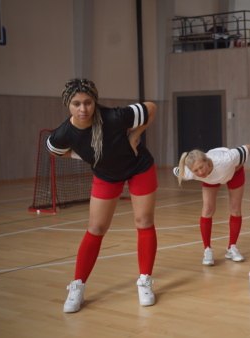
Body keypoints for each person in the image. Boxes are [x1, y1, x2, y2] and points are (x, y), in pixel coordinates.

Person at [47, 78, 158, 313]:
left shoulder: (115, 117)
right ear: (68, 104)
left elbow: (151, 107)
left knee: (143, 222)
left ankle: (145, 280)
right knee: (96, 228)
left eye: (88, 102)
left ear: (95, 101)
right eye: (76, 103)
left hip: (139, 167)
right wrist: (83, 157)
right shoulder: (63, 133)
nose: (83, 109)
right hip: (106, 175)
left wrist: (135, 134)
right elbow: (55, 150)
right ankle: (77, 286)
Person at [174, 145, 250, 266]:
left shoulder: (226, 159)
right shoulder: (188, 173)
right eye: (196, 170)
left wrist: (235, 168)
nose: (200, 172)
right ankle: (207, 250)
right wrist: (200, 173)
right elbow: (176, 171)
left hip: (233, 172)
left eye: (201, 167)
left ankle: (232, 248)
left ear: (206, 161)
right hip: (210, 178)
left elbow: (248, 148)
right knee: (208, 209)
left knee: (235, 208)